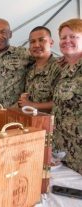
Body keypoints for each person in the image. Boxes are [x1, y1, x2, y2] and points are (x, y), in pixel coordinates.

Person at [52, 18, 82, 174]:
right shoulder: (64, 69)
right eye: (63, 37)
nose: (67, 41)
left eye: (73, 36)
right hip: (64, 155)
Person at [18, 26, 61, 112]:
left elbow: (62, 102)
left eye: (41, 40)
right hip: (31, 122)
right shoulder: (29, 70)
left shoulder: (60, 68)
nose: (36, 45)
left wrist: (32, 105)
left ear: (51, 42)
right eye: (32, 42)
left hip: (50, 123)